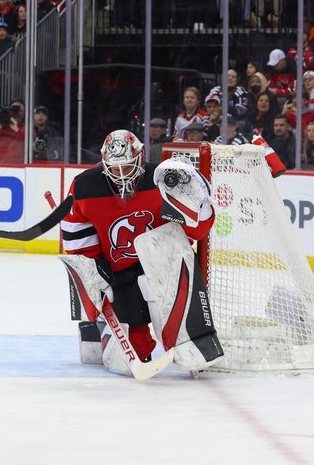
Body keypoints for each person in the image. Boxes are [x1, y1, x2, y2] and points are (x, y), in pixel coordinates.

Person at [60, 130, 220, 376]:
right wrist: (94, 267)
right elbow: (75, 229)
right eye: (115, 168)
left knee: (194, 350)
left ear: (140, 158)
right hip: (120, 275)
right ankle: (101, 329)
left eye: (128, 166)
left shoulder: (163, 179)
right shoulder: (85, 186)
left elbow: (195, 233)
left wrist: (199, 203)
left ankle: (192, 338)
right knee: (129, 360)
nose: (122, 175)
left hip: (164, 269)